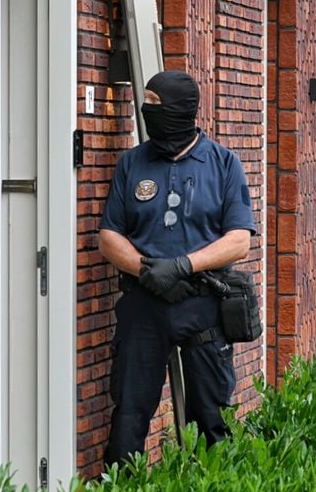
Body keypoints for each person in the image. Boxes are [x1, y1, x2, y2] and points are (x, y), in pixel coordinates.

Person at [99, 69, 256, 465]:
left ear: (181, 109)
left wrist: (183, 267)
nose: (146, 110)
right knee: (129, 416)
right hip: (144, 306)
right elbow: (109, 237)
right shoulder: (132, 163)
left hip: (202, 306)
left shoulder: (223, 164)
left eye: (155, 104)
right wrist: (147, 270)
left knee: (212, 419)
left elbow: (239, 240)